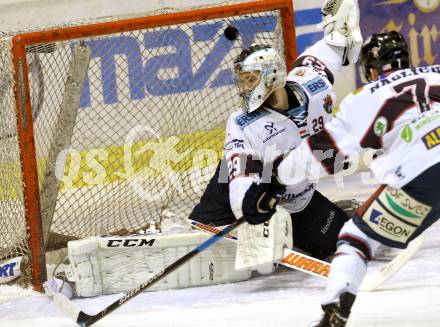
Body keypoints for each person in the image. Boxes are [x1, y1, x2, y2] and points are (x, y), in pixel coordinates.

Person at [248, 30, 440, 326]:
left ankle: (334, 314)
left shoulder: (368, 97)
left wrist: (278, 179)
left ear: (372, 70)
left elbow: (325, 152)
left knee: (355, 238)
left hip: (420, 175)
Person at [189, 0, 363, 263]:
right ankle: (214, 219)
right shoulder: (242, 122)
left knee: (347, 242)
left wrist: (342, 18)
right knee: (209, 223)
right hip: (249, 189)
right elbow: (240, 173)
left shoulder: (313, 83)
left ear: (271, 75)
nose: (244, 87)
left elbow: (334, 45)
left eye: (250, 79)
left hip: (296, 201)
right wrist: (246, 206)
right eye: (242, 81)